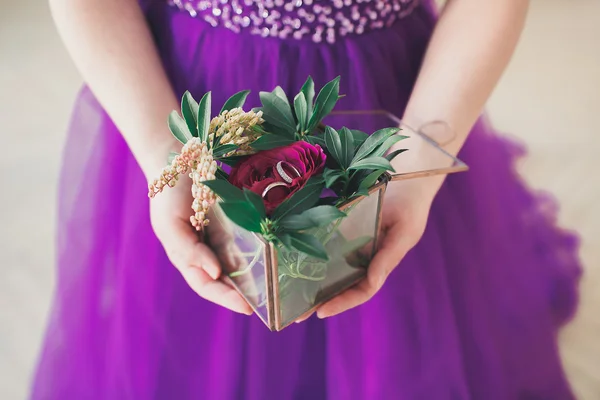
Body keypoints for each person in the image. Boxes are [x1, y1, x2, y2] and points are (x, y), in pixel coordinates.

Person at [32, 0, 581, 398]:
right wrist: (168, 157)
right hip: (187, 99)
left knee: (399, 305)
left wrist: (415, 172)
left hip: (388, 100)